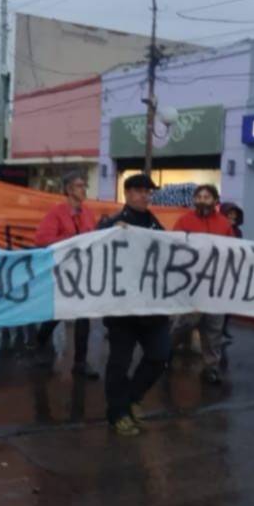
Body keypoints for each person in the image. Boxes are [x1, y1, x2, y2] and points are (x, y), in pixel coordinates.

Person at [97, 173, 169, 437]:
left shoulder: (155, 225)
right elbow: (95, 252)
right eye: (139, 191)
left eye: (148, 191)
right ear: (126, 193)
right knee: (119, 362)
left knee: (160, 356)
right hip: (123, 310)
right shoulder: (112, 224)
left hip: (152, 308)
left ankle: (131, 399)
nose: (144, 196)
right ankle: (117, 414)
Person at [33, 172, 99, 379]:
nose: (84, 189)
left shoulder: (88, 213)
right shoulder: (56, 213)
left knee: (83, 314)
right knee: (60, 313)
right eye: (80, 185)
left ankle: (80, 362)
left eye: (84, 185)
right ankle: (40, 341)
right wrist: (71, 239)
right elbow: (42, 240)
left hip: (83, 271)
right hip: (62, 271)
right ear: (69, 189)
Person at [171, 185, 236, 385]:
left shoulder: (224, 224)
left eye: (206, 197)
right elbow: (174, 246)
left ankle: (211, 367)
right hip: (190, 285)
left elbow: (232, 251)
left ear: (215, 200)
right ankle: (165, 353)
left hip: (215, 286)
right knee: (182, 324)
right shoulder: (184, 221)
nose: (202, 200)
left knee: (213, 329)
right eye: (199, 196)